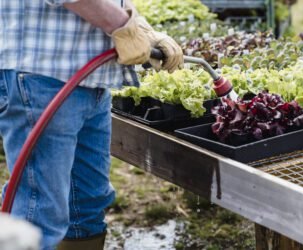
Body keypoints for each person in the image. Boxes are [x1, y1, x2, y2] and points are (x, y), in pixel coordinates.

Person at [0, 0, 183, 249]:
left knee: (86, 205)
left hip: (90, 79)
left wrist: (140, 28)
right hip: (43, 76)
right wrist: (122, 25)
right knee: (39, 212)